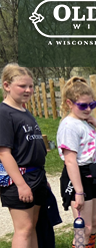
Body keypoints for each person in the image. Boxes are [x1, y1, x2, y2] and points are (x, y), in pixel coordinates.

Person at [57, 77, 96, 248]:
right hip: (79, 176)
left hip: (94, 174)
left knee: (93, 222)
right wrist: (78, 191)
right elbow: (70, 161)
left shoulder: (85, 123)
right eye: (83, 105)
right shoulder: (69, 126)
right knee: (83, 228)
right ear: (69, 103)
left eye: (91, 105)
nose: (88, 109)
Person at [0, 63, 48, 248]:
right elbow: (4, 153)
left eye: (30, 86)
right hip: (20, 178)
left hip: (36, 176)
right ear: (7, 86)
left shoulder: (25, 111)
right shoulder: (4, 113)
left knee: (31, 227)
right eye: (22, 86)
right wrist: (21, 185)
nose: (28, 90)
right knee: (24, 229)